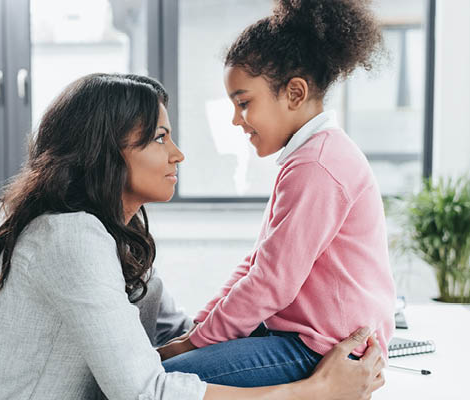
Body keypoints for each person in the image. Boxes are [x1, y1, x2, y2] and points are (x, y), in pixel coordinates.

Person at [0, 73, 384, 400]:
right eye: (159, 138)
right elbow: (148, 393)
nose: (178, 154)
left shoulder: (114, 239)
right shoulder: (69, 238)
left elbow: (182, 337)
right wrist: (316, 390)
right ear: (106, 152)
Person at [157, 0, 397, 388]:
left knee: (161, 382)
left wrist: (193, 344)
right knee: (162, 370)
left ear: (295, 94)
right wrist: (202, 326)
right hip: (299, 338)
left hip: (320, 350)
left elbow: (270, 282)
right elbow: (258, 263)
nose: (237, 119)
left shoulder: (317, 165)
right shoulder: (310, 156)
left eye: (244, 102)